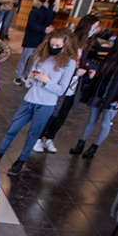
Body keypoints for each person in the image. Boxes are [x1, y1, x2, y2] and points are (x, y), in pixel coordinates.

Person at [0, 27, 77, 175]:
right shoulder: (41, 56)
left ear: (66, 45)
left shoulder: (69, 63)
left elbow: (62, 90)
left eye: (58, 46)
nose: (54, 48)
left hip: (47, 103)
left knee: (33, 134)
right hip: (30, 99)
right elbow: (28, 83)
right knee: (13, 128)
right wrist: (31, 77)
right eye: (52, 45)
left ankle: (20, 161)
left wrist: (47, 81)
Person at [69, 29, 118, 158]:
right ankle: (81, 143)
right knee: (91, 120)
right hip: (100, 91)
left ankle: (94, 147)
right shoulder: (115, 54)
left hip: (113, 96)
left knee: (105, 122)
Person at [33, 14, 100, 154]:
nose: (97, 30)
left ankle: (49, 137)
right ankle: (38, 137)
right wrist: (76, 71)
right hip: (59, 83)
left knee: (62, 115)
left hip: (73, 86)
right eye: (94, 27)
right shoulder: (70, 41)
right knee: (53, 112)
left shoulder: (86, 45)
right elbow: (58, 61)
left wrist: (86, 70)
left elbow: (82, 63)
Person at [14, 0, 56, 85]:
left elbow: (50, 22)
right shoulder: (35, 10)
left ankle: (28, 76)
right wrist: (44, 29)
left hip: (42, 40)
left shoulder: (50, 11)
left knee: (35, 61)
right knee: (24, 59)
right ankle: (18, 76)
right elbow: (31, 25)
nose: (54, 0)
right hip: (31, 39)